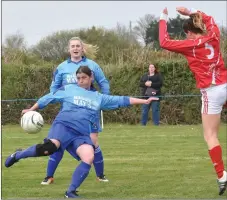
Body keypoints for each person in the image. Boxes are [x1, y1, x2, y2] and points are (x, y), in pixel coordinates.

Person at [5, 66, 159, 198]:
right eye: (78, 78)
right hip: (63, 127)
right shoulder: (69, 89)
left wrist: (144, 101)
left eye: (83, 77)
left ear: (91, 77)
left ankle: (70, 192)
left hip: (80, 134)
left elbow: (121, 100)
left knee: (88, 156)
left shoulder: (98, 97)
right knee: (50, 148)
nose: (80, 80)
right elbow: (48, 98)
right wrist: (32, 109)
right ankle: (18, 155)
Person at [159, 7, 227, 195]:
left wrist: (163, 18)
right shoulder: (214, 34)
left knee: (210, 136)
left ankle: (222, 175)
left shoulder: (190, 45)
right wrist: (189, 11)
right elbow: (210, 17)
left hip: (211, 92)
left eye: (186, 34)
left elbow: (163, 41)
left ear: (188, 32)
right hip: (225, 84)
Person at [42, 37, 110, 185]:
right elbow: (54, 88)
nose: (75, 48)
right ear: (69, 49)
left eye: (78, 46)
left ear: (82, 48)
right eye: (72, 46)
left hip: (89, 111)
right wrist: (58, 98)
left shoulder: (92, 65)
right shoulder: (61, 68)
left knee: (93, 141)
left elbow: (103, 82)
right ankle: (49, 176)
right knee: (59, 142)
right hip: (68, 112)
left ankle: (100, 175)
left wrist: (103, 100)